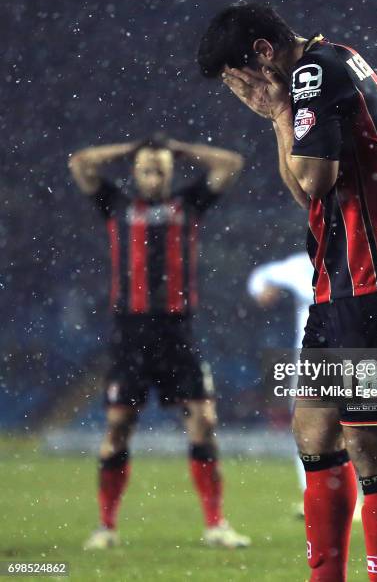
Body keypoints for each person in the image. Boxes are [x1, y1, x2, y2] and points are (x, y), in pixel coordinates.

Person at [198, 3, 377, 581]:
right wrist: (281, 116)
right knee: (313, 428)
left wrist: (280, 107)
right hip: (341, 280)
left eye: (239, 77)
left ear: (262, 52)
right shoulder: (334, 61)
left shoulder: (314, 73)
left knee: (371, 445)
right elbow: (307, 192)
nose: (242, 91)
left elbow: (314, 178)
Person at [69, 133, 251, 550]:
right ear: (135, 173)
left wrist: (181, 149)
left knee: (203, 423)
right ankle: (106, 527)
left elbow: (230, 163)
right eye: (147, 170)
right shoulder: (117, 206)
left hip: (177, 332)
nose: (153, 178)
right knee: (118, 427)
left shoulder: (187, 205)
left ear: (171, 173)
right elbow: (81, 162)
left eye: (161, 171)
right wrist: (127, 148)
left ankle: (215, 524)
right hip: (130, 335)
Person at [247, 252, 363, 521]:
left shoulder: (361, 262)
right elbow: (261, 275)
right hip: (311, 359)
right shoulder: (303, 265)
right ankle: (314, 495)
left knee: (356, 429)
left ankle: (356, 497)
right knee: (308, 432)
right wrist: (261, 291)